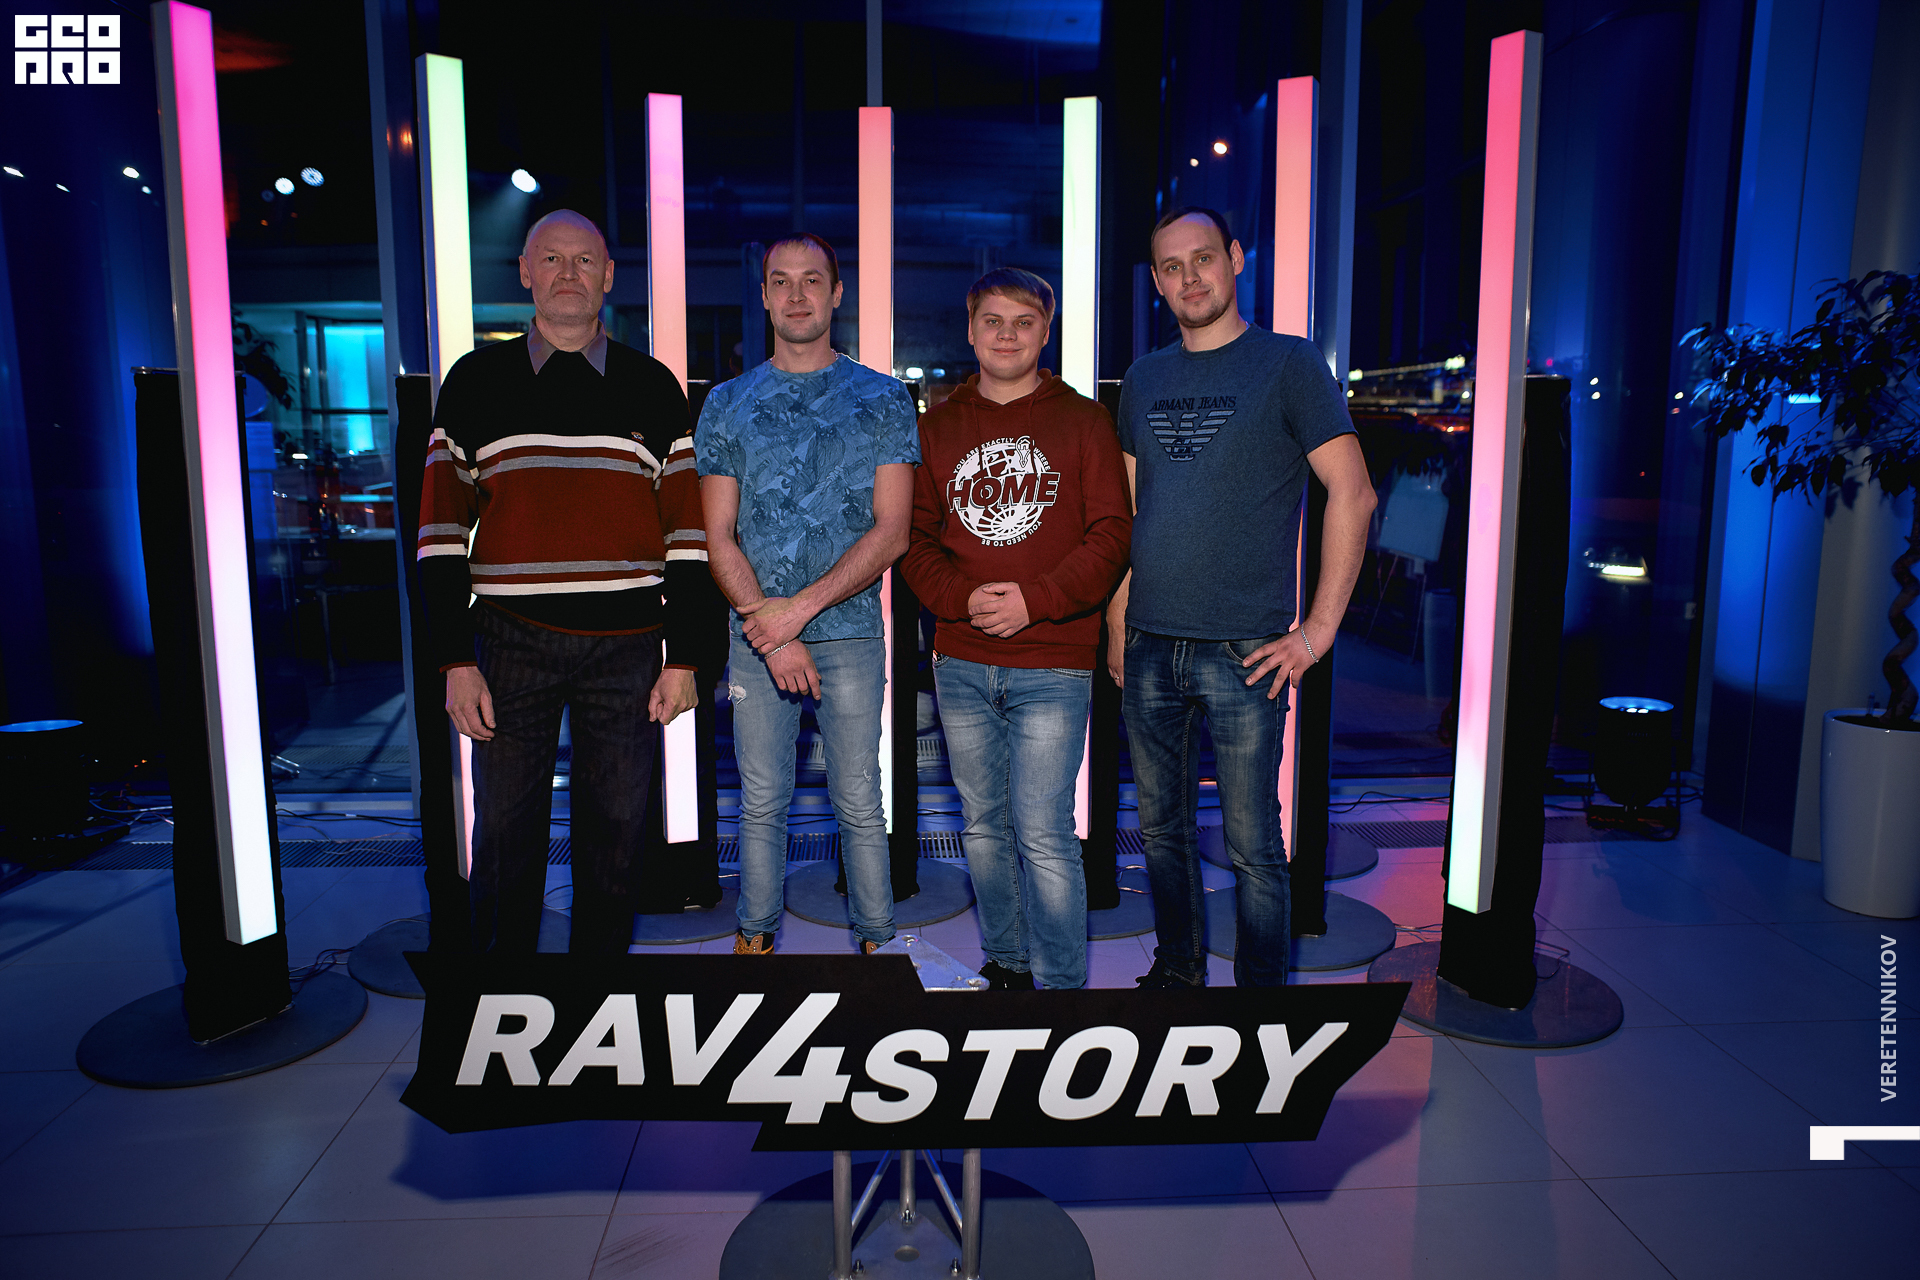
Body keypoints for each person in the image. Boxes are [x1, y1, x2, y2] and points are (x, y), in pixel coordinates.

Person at [417, 209, 714, 955]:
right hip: (509, 643)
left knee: (617, 834)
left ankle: (594, 997)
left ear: (609, 276)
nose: (568, 273)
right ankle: (503, 999)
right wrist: (453, 660)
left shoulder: (653, 387)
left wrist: (685, 657)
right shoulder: (475, 382)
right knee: (503, 833)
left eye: (585, 260)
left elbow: (687, 536)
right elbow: (439, 534)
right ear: (525, 272)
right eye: (551, 259)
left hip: (629, 646)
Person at [1108, 207, 1376, 988]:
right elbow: (1132, 512)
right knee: (1161, 833)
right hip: (1150, 642)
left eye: (1202, 258)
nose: (1189, 277)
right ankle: (1178, 973)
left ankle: (1260, 1008)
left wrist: (1317, 630)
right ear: (1157, 282)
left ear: (1234, 258)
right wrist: (1117, 620)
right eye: (1171, 267)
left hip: (1246, 650)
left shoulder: (1289, 363)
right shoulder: (1144, 378)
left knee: (1254, 847)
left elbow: (1353, 494)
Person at [900, 268, 1131, 990]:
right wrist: (962, 599)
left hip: (1054, 661)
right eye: (993, 321)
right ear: (970, 331)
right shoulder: (937, 428)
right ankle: (1007, 962)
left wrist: (1036, 600)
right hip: (961, 659)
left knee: (1044, 830)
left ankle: (1060, 989)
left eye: (1023, 322)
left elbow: (1111, 535)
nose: (1007, 335)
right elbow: (914, 539)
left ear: (1045, 332)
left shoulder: (1085, 422)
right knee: (982, 828)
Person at [696, 232, 919, 955]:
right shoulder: (726, 403)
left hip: (849, 632)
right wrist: (773, 630)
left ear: (836, 293)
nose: (797, 295)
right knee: (761, 802)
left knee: (859, 800)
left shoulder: (884, 399)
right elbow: (718, 536)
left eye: (812, 279)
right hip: (757, 636)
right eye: (781, 281)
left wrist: (796, 613)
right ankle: (754, 943)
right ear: (764, 295)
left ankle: (878, 949)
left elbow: (893, 532)